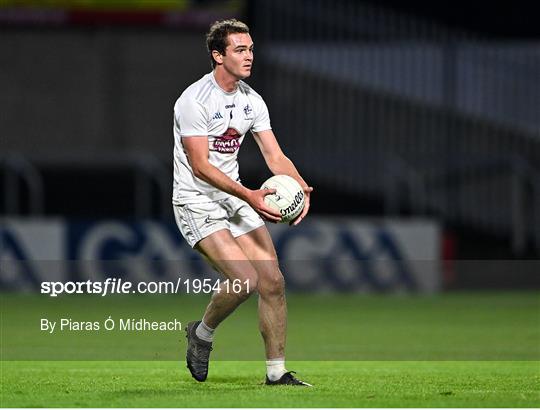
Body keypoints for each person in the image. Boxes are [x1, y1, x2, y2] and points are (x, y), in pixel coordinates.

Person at [172, 19, 313, 386]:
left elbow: (274, 155)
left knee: (272, 280)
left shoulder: (252, 100)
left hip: (233, 198)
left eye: (250, 48)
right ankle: (201, 334)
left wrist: (300, 187)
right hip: (197, 200)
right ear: (218, 55)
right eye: (239, 49)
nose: (249, 56)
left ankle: (276, 374)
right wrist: (249, 195)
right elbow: (200, 166)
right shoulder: (194, 101)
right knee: (244, 280)